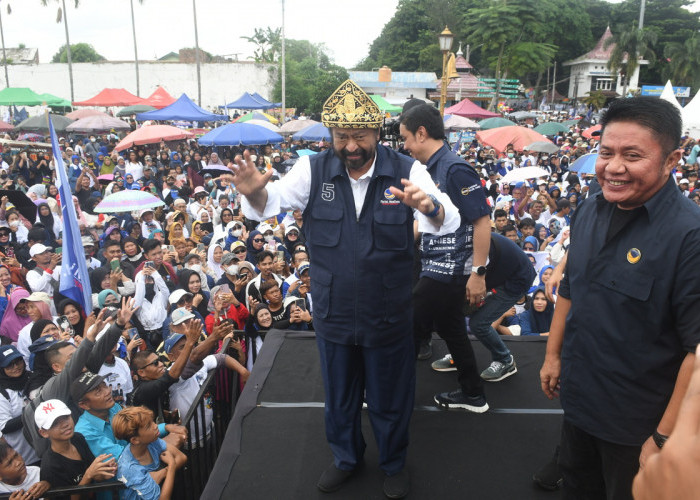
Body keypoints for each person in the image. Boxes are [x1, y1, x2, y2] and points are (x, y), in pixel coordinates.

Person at [231, 80, 458, 498]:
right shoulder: (313, 169)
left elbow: (449, 217)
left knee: (391, 397)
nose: (350, 147)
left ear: (377, 132)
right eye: (341, 137)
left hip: (388, 313)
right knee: (339, 397)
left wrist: (427, 205)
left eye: (359, 137)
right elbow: (272, 200)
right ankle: (346, 459)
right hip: (334, 313)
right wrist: (256, 193)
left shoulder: (407, 170)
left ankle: (393, 462)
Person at [539, 97, 700, 499]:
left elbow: (696, 352)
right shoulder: (590, 209)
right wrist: (553, 355)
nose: (613, 167)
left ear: (671, 159)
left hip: (637, 426)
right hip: (579, 403)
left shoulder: (689, 238)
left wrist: (663, 438)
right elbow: (572, 287)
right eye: (606, 152)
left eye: (632, 156)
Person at [399, 103, 491, 411]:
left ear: (421, 133)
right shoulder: (429, 169)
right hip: (435, 262)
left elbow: (482, 221)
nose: (405, 146)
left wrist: (478, 273)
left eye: (406, 138)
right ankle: (473, 393)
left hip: (449, 268)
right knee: (451, 328)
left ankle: (393, 395)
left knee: (408, 322)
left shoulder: (454, 168)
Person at [35, 398, 117, 494]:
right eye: (55, 423)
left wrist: (103, 471)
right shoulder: (50, 466)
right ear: (44, 432)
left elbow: (93, 472)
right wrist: (88, 476)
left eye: (66, 417)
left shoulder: (78, 438)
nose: (65, 424)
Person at [112, 406, 187, 500]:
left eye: (152, 421)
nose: (155, 426)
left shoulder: (151, 441)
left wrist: (162, 473)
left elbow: (182, 457)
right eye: (148, 426)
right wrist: (171, 465)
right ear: (135, 440)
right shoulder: (130, 468)